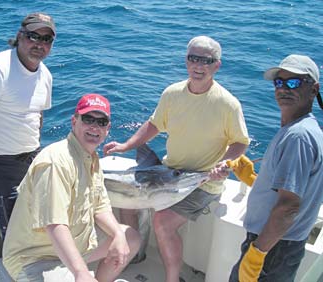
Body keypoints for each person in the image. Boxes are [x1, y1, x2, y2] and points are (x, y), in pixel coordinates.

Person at [104, 35, 250, 282]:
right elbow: (153, 125)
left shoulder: (228, 104)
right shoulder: (172, 94)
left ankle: (172, 279)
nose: (199, 66)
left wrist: (223, 163)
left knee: (162, 222)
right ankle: (134, 254)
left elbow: (240, 142)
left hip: (202, 181)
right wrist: (125, 145)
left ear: (217, 65)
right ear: (186, 61)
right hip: (169, 173)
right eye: (194, 58)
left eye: (206, 60)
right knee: (125, 199)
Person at [2, 93, 141, 282]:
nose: (94, 126)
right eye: (88, 119)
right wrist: (80, 273)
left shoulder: (91, 158)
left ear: (107, 129)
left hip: (78, 245)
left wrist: (118, 234)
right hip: (37, 258)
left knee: (130, 237)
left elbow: (100, 206)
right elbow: (55, 224)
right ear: (74, 121)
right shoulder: (56, 161)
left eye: (101, 122)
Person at [228, 54, 323, 282]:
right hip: (280, 244)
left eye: (293, 82)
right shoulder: (304, 129)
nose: (284, 89)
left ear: (313, 90)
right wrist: (253, 179)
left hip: (273, 247)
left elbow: (289, 206)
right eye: (279, 82)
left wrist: (258, 253)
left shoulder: (298, 136)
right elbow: (299, 189)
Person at [0, 12, 56, 238]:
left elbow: (37, 116)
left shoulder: (45, 74)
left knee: (37, 219)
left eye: (46, 39)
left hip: (31, 158)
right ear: (19, 35)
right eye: (33, 36)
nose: (39, 44)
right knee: (14, 232)